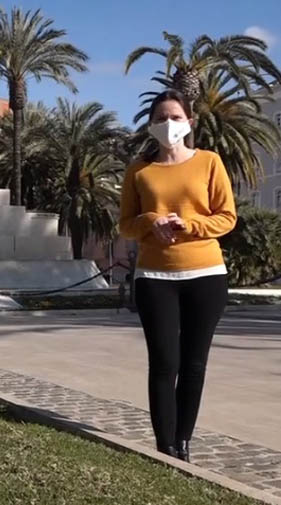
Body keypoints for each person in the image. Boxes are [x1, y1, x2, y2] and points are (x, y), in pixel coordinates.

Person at [119, 89, 236, 462]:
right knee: (164, 362)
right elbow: (125, 225)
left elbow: (226, 217)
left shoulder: (209, 162)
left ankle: (183, 442)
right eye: (160, 119)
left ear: (189, 122)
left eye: (174, 117)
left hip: (205, 274)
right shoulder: (139, 170)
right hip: (155, 277)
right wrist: (153, 222)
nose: (168, 125)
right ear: (150, 125)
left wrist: (190, 225)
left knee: (194, 363)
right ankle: (164, 445)